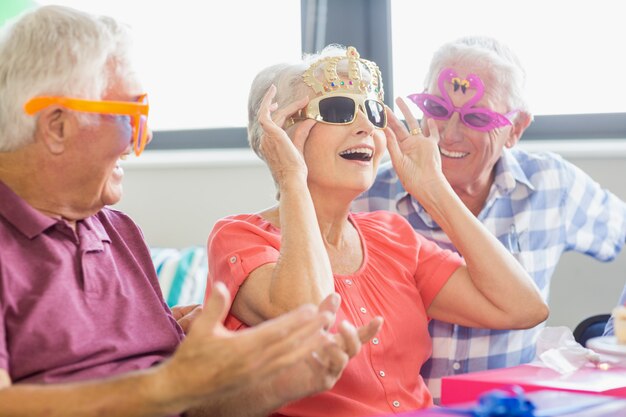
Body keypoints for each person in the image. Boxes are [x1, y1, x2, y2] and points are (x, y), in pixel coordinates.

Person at [0, 6, 382, 417]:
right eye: (133, 117)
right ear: (57, 126)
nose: (138, 141)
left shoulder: (119, 232)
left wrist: (285, 383)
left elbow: (193, 403)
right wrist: (169, 385)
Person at [206, 44, 547, 416]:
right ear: (279, 135)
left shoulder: (393, 236)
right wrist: (292, 181)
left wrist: (435, 191)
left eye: (371, 111)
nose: (367, 126)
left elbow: (522, 308)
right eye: (338, 110)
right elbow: (311, 311)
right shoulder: (238, 237)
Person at [353, 35, 626, 402]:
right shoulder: (368, 195)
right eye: (435, 107)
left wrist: (613, 335)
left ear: (516, 129)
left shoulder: (551, 185)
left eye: (477, 117)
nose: (449, 133)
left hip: (510, 409)